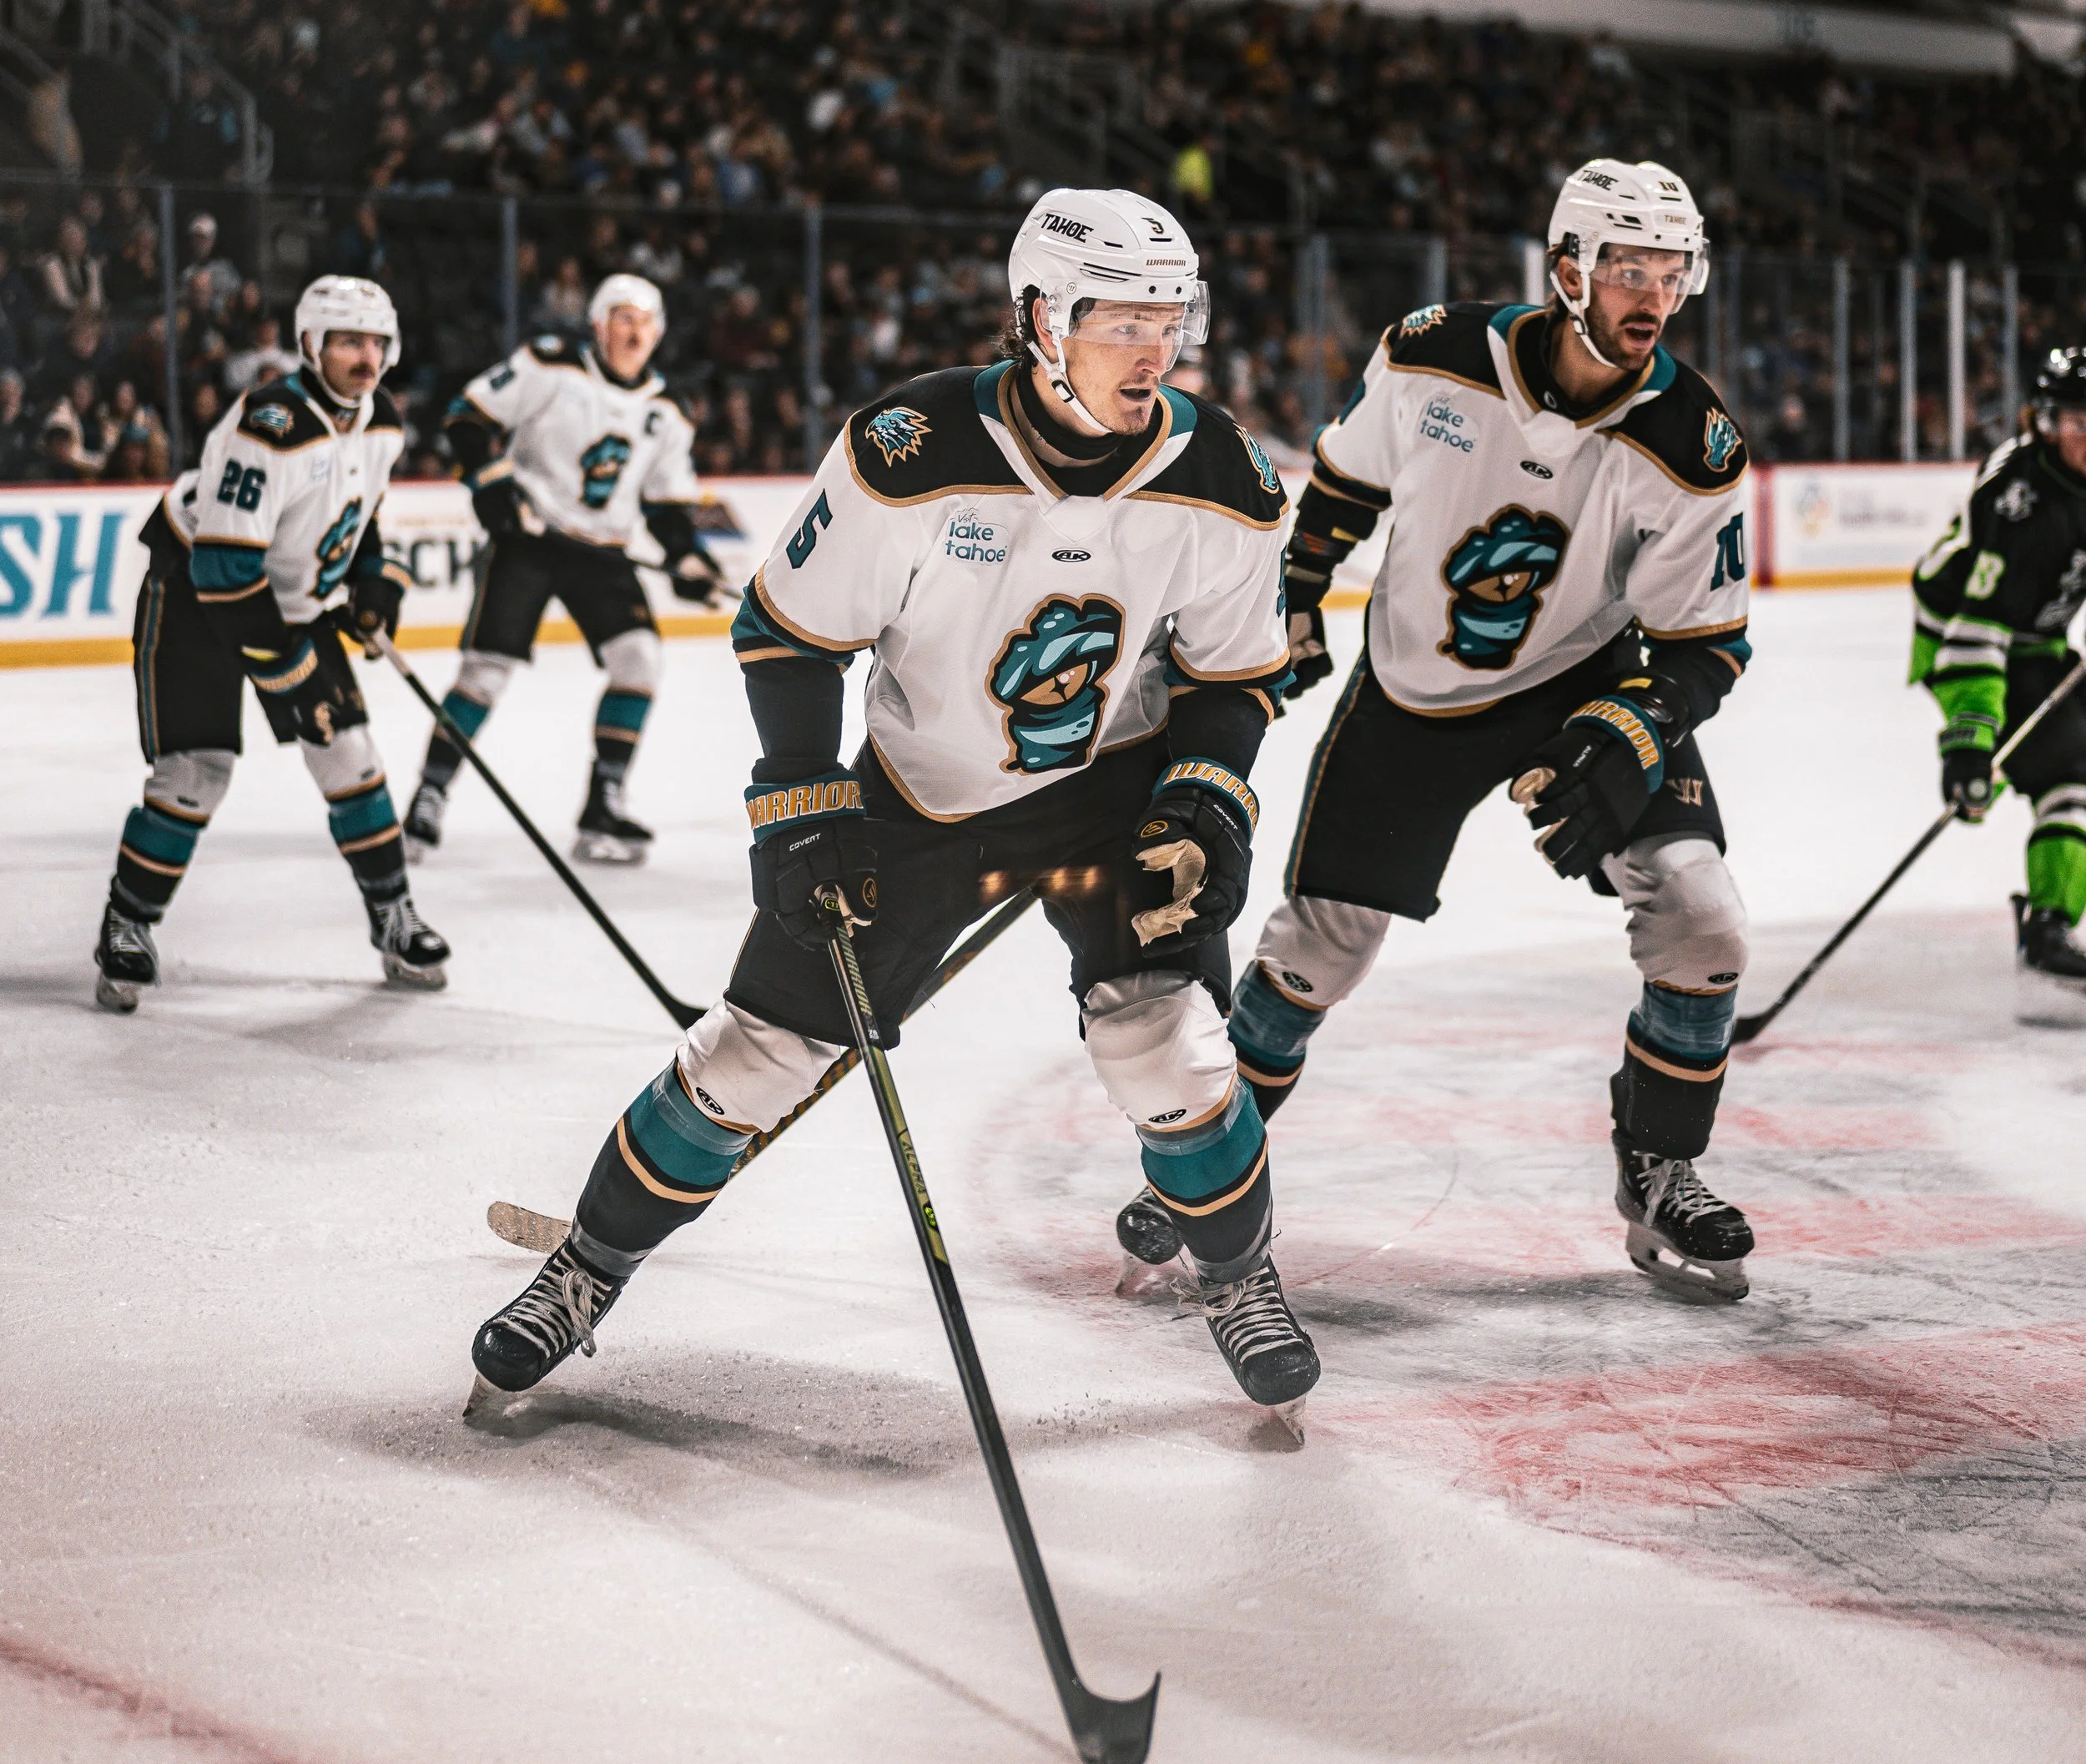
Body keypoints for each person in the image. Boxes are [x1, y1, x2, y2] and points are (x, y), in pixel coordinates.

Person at [467, 187, 1311, 1420]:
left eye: (1168, 321)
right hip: (923, 799)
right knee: (750, 1057)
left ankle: (1240, 1277)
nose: (1154, 351)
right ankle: (587, 1269)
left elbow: (1235, 676)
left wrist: (1206, 798)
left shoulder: (1221, 474)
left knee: (1168, 1048)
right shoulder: (909, 450)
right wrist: (806, 806)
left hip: (1108, 798)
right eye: (1120, 321)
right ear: (1039, 316)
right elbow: (790, 633)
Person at [1133, 158, 1757, 1304]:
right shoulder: (1433, 353)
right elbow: (1343, 483)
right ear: (1567, 267)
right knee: (1320, 947)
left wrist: (1641, 720)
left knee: (1704, 920)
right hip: (1415, 691)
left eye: (1674, 271)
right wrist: (1303, 585)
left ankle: (1661, 1164)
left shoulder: (1693, 438)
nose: (1654, 296)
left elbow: (1706, 643)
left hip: (1583, 684)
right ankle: (1207, 1167)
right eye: (1628, 266)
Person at [93, 274, 449, 1012]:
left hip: (287, 596)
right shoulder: (269, 427)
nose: (364, 355)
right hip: (197, 593)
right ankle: (128, 922)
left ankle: (393, 916)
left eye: (375, 341)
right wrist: (287, 667)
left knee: (350, 756)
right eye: (347, 340)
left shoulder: (381, 419)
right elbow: (223, 567)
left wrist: (375, 583)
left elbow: (361, 519)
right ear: (310, 344)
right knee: (197, 772)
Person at [404, 274, 720, 866]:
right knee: (486, 673)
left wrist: (686, 555)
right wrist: (491, 483)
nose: (634, 331)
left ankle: (603, 803)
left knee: (640, 660)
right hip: (530, 539)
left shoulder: (668, 410)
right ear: (598, 325)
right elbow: (467, 417)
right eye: (622, 317)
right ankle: (430, 793)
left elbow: (664, 504)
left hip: (602, 551)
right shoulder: (549, 367)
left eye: (645, 321)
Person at [1911, 345, 2086, 1015]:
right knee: (2069, 770)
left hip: (2036, 639)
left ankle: (2052, 907)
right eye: (2075, 422)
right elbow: (1974, 630)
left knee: (2071, 761)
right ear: (2043, 421)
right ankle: (2048, 922)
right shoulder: (2022, 504)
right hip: (1962, 636)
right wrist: (1969, 744)